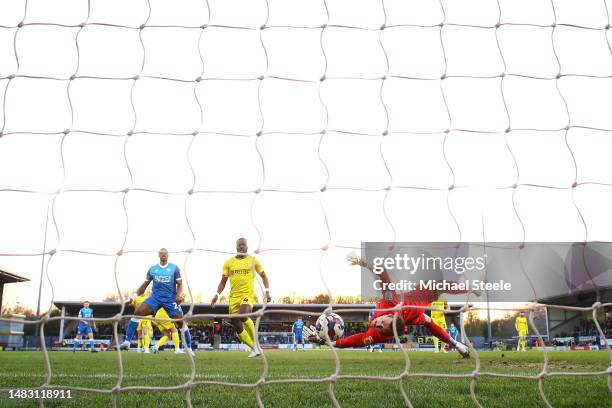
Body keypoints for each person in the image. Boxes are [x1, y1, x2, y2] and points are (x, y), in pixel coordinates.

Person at [305, 254, 470, 358]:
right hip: (418, 300)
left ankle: (457, 341)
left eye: (379, 326)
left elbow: (353, 341)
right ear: (390, 315)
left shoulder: (378, 334)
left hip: (416, 305)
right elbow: (382, 272)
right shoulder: (391, 302)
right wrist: (365, 263)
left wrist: (327, 342)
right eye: (381, 323)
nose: (376, 323)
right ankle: (456, 341)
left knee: (431, 308)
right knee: (431, 306)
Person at [119, 248, 193, 356]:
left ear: (168, 255)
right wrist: (133, 297)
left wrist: (178, 295)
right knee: (137, 313)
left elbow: (180, 284)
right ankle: (127, 342)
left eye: (165, 254)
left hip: (169, 299)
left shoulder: (174, 268)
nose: (163, 256)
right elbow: (143, 286)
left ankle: (189, 348)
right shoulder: (153, 269)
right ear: (158, 255)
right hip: (155, 298)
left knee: (181, 322)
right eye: (161, 254)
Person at [211, 238, 271, 358]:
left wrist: (267, 292)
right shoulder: (229, 262)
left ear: (247, 247)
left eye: (243, 245)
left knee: (243, 316)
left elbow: (264, 276)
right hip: (233, 298)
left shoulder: (253, 260)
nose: (241, 247)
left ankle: (256, 344)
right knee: (236, 324)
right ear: (236, 247)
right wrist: (216, 295)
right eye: (239, 245)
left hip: (247, 295)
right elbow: (223, 281)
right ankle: (254, 349)